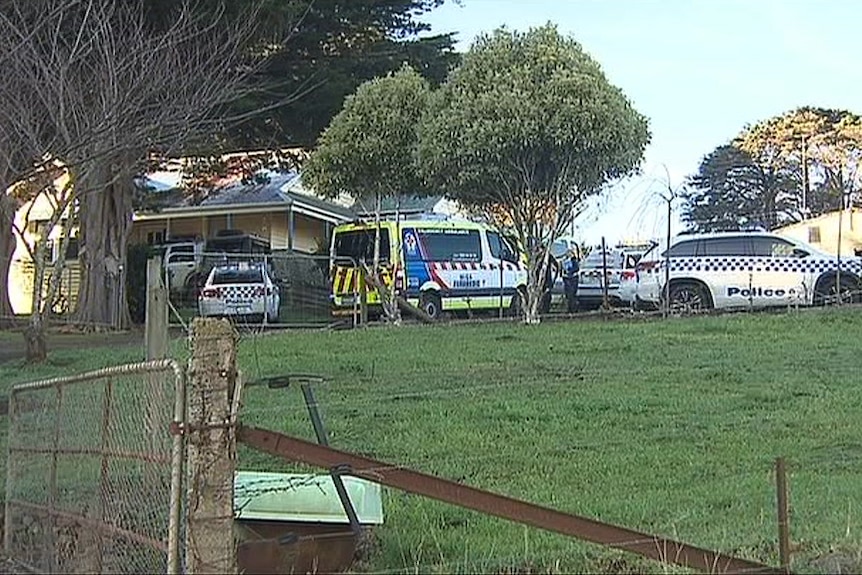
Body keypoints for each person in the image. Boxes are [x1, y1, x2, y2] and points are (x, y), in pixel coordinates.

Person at [562, 248, 580, 313]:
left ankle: (573, 309)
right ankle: (569, 309)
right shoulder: (565, 260)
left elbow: (576, 268)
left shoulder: (574, 260)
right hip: (567, 278)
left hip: (573, 278)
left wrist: (570, 272)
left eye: (570, 253)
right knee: (568, 295)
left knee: (572, 295)